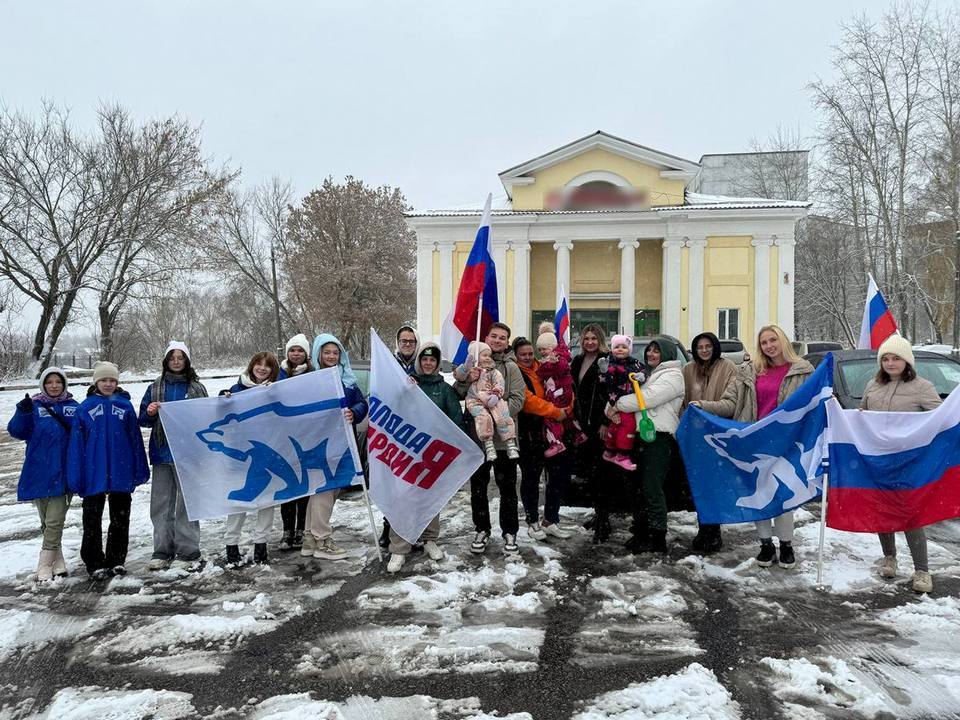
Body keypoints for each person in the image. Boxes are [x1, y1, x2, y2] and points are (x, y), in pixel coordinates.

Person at [709, 324, 814, 570]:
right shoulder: (749, 371)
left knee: (783, 494)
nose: (769, 346)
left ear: (783, 341)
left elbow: (813, 404)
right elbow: (730, 402)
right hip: (754, 442)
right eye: (764, 342)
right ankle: (765, 544)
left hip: (786, 442)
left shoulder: (803, 371)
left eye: (772, 340)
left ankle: (786, 544)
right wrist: (703, 406)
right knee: (760, 493)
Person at [860, 335, 941, 593]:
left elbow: (939, 419)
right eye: (885, 358)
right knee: (883, 511)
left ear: (907, 361)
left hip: (909, 462)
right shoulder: (872, 386)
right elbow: (862, 418)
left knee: (910, 514)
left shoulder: (922, 387)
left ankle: (922, 570)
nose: (891, 363)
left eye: (896, 358)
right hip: (878, 461)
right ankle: (890, 558)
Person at [67, 361, 149, 580]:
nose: (108, 384)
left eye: (112, 380)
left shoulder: (125, 406)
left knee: (121, 517)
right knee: (92, 519)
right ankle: (94, 562)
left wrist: (139, 467)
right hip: (93, 472)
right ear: (96, 382)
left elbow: (134, 439)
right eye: (104, 380)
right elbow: (77, 444)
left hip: (120, 470)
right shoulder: (84, 408)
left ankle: (116, 560)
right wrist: (77, 474)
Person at [386, 342, 462, 572]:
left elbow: (455, 420)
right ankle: (399, 548)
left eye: (433, 360)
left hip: (433, 454)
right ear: (419, 361)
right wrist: (403, 391)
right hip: (408, 451)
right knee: (403, 498)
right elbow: (392, 409)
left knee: (431, 497)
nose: (428, 363)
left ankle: (430, 539)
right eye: (424, 359)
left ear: (438, 364)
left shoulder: (445, 389)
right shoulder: (406, 384)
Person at [453, 322, 526, 555]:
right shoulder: (472, 363)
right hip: (477, 438)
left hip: (503, 440)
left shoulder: (511, 368)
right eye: (493, 336)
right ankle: (482, 528)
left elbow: (518, 399)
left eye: (502, 338)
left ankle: (510, 531)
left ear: (507, 343)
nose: (497, 341)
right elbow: (458, 392)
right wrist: (467, 379)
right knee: (478, 487)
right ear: (486, 337)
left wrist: (497, 413)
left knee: (507, 488)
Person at [139, 341, 208, 572]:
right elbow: (143, 419)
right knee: (161, 504)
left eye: (180, 358)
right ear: (166, 361)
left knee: (187, 504)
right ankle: (162, 549)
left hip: (188, 454)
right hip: (162, 452)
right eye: (172, 358)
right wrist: (149, 412)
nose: (176, 361)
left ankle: (188, 549)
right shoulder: (155, 387)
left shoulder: (196, 388)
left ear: (186, 361)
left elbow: (207, 417)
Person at [611, 338, 684, 554]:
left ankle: (658, 536)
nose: (651, 354)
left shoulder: (673, 376)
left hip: (660, 437)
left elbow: (646, 399)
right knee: (638, 487)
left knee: (652, 487)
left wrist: (617, 405)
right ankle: (642, 531)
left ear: (668, 353)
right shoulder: (650, 374)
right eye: (649, 351)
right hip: (642, 436)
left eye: (656, 351)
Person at [7, 367, 79, 581]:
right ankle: (58, 561)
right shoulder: (34, 406)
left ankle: (44, 564)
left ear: (64, 384)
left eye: (58, 382)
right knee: (47, 522)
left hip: (64, 472)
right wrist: (23, 412)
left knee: (55, 520)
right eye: (50, 382)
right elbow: (17, 432)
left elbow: (85, 434)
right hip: (38, 471)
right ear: (43, 385)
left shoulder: (73, 407)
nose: (54, 385)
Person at [304, 333, 368, 561]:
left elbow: (362, 403)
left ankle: (309, 538)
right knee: (323, 488)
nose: (331, 356)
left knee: (328, 489)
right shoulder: (309, 380)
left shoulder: (348, 379)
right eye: (326, 352)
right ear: (318, 354)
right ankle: (321, 538)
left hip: (342, 443)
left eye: (335, 352)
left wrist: (355, 412)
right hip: (318, 443)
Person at [220, 352, 281, 566]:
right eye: (258, 364)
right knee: (240, 499)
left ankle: (261, 546)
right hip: (243, 456)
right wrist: (223, 397)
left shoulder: (277, 390)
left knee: (267, 501)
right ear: (251, 365)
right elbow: (220, 412)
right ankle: (231, 545)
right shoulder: (237, 390)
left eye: (267, 365)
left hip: (269, 453)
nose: (262, 368)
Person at [513, 337, 574, 542]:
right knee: (531, 478)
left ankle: (551, 519)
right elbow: (528, 401)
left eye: (531, 353)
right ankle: (532, 521)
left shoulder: (546, 366)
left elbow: (564, 385)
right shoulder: (516, 373)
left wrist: (568, 406)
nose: (528, 357)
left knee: (557, 476)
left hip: (554, 433)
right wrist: (556, 412)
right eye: (523, 354)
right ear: (516, 355)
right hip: (530, 433)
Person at [683, 332, 738, 553]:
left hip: (717, 435)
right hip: (694, 436)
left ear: (715, 347)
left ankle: (713, 531)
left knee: (714, 486)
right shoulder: (688, 370)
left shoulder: (728, 368)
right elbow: (682, 401)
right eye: (699, 347)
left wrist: (703, 406)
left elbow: (730, 404)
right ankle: (703, 528)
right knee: (699, 486)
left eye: (708, 346)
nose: (704, 350)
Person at [379, 324, 421, 548]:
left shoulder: (422, 366)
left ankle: (413, 529)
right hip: (392, 433)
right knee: (392, 485)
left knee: (413, 487)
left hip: (415, 436)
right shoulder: (387, 365)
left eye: (411, 342)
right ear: (397, 343)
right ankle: (388, 526)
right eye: (404, 341)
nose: (407, 345)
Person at [570, 324, 612, 543]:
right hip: (581, 423)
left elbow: (612, 393)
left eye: (594, 338)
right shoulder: (577, 361)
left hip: (599, 424)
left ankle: (604, 520)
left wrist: (606, 421)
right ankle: (598, 513)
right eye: (586, 338)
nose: (589, 342)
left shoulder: (606, 360)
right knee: (590, 472)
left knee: (601, 473)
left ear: (600, 340)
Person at [454, 341, 520, 462]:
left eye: (488, 355)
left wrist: (496, 394)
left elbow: (499, 383)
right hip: (475, 400)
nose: (487, 358)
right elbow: (459, 376)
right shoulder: (471, 370)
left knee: (502, 414)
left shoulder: (493, 371)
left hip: (492, 398)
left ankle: (510, 442)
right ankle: (488, 444)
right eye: (484, 355)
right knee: (483, 419)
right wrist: (466, 368)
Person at [276, 333, 313, 551]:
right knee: (288, 486)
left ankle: (301, 530)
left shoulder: (314, 374)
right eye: (293, 350)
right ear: (288, 353)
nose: (296, 354)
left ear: (306, 354)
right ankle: (286, 530)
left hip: (307, 437)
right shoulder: (278, 374)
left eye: (300, 350)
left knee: (305, 485)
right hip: (283, 440)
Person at [535, 332, 586, 457]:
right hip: (560, 392)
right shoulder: (554, 357)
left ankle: (556, 443)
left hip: (559, 393)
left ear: (552, 347)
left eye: (545, 348)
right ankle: (578, 434)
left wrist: (552, 363)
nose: (542, 351)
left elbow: (559, 368)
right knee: (568, 417)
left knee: (551, 418)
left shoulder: (557, 358)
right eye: (540, 349)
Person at [599, 334, 645, 471]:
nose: (620, 349)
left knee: (618, 425)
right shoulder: (609, 363)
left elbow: (643, 374)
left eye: (624, 347)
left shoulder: (635, 363)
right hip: (615, 401)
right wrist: (603, 371)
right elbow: (603, 381)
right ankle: (621, 455)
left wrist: (641, 376)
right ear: (612, 349)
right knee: (627, 425)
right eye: (617, 347)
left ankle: (610, 450)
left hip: (628, 402)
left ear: (629, 350)